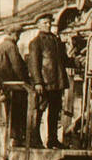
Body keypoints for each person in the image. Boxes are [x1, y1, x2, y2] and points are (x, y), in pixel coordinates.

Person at [0, 24, 33, 148]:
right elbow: (17, 66)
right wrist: (26, 81)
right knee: (18, 110)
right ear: (13, 34)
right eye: (18, 35)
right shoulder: (11, 47)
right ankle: (18, 138)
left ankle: (14, 137)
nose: (18, 38)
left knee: (10, 112)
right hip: (15, 85)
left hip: (4, 85)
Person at [26, 13, 68, 148]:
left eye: (49, 23)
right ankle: (35, 139)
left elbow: (63, 60)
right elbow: (33, 64)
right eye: (45, 23)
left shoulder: (56, 41)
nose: (48, 25)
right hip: (44, 83)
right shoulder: (36, 43)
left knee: (55, 111)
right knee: (39, 110)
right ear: (38, 25)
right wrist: (38, 82)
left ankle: (52, 139)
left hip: (57, 81)